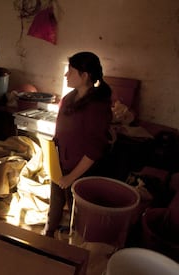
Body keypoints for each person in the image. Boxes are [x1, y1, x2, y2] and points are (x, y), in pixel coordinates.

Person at [44, 51, 113, 238]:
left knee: (79, 215)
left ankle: (74, 248)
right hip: (61, 163)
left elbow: (94, 149)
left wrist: (71, 177)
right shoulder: (69, 99)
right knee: (56, 203)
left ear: (85, 76)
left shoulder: (97, 106)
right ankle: (48, 235)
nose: (66, 75)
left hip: (80, 170)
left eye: (70, 71)